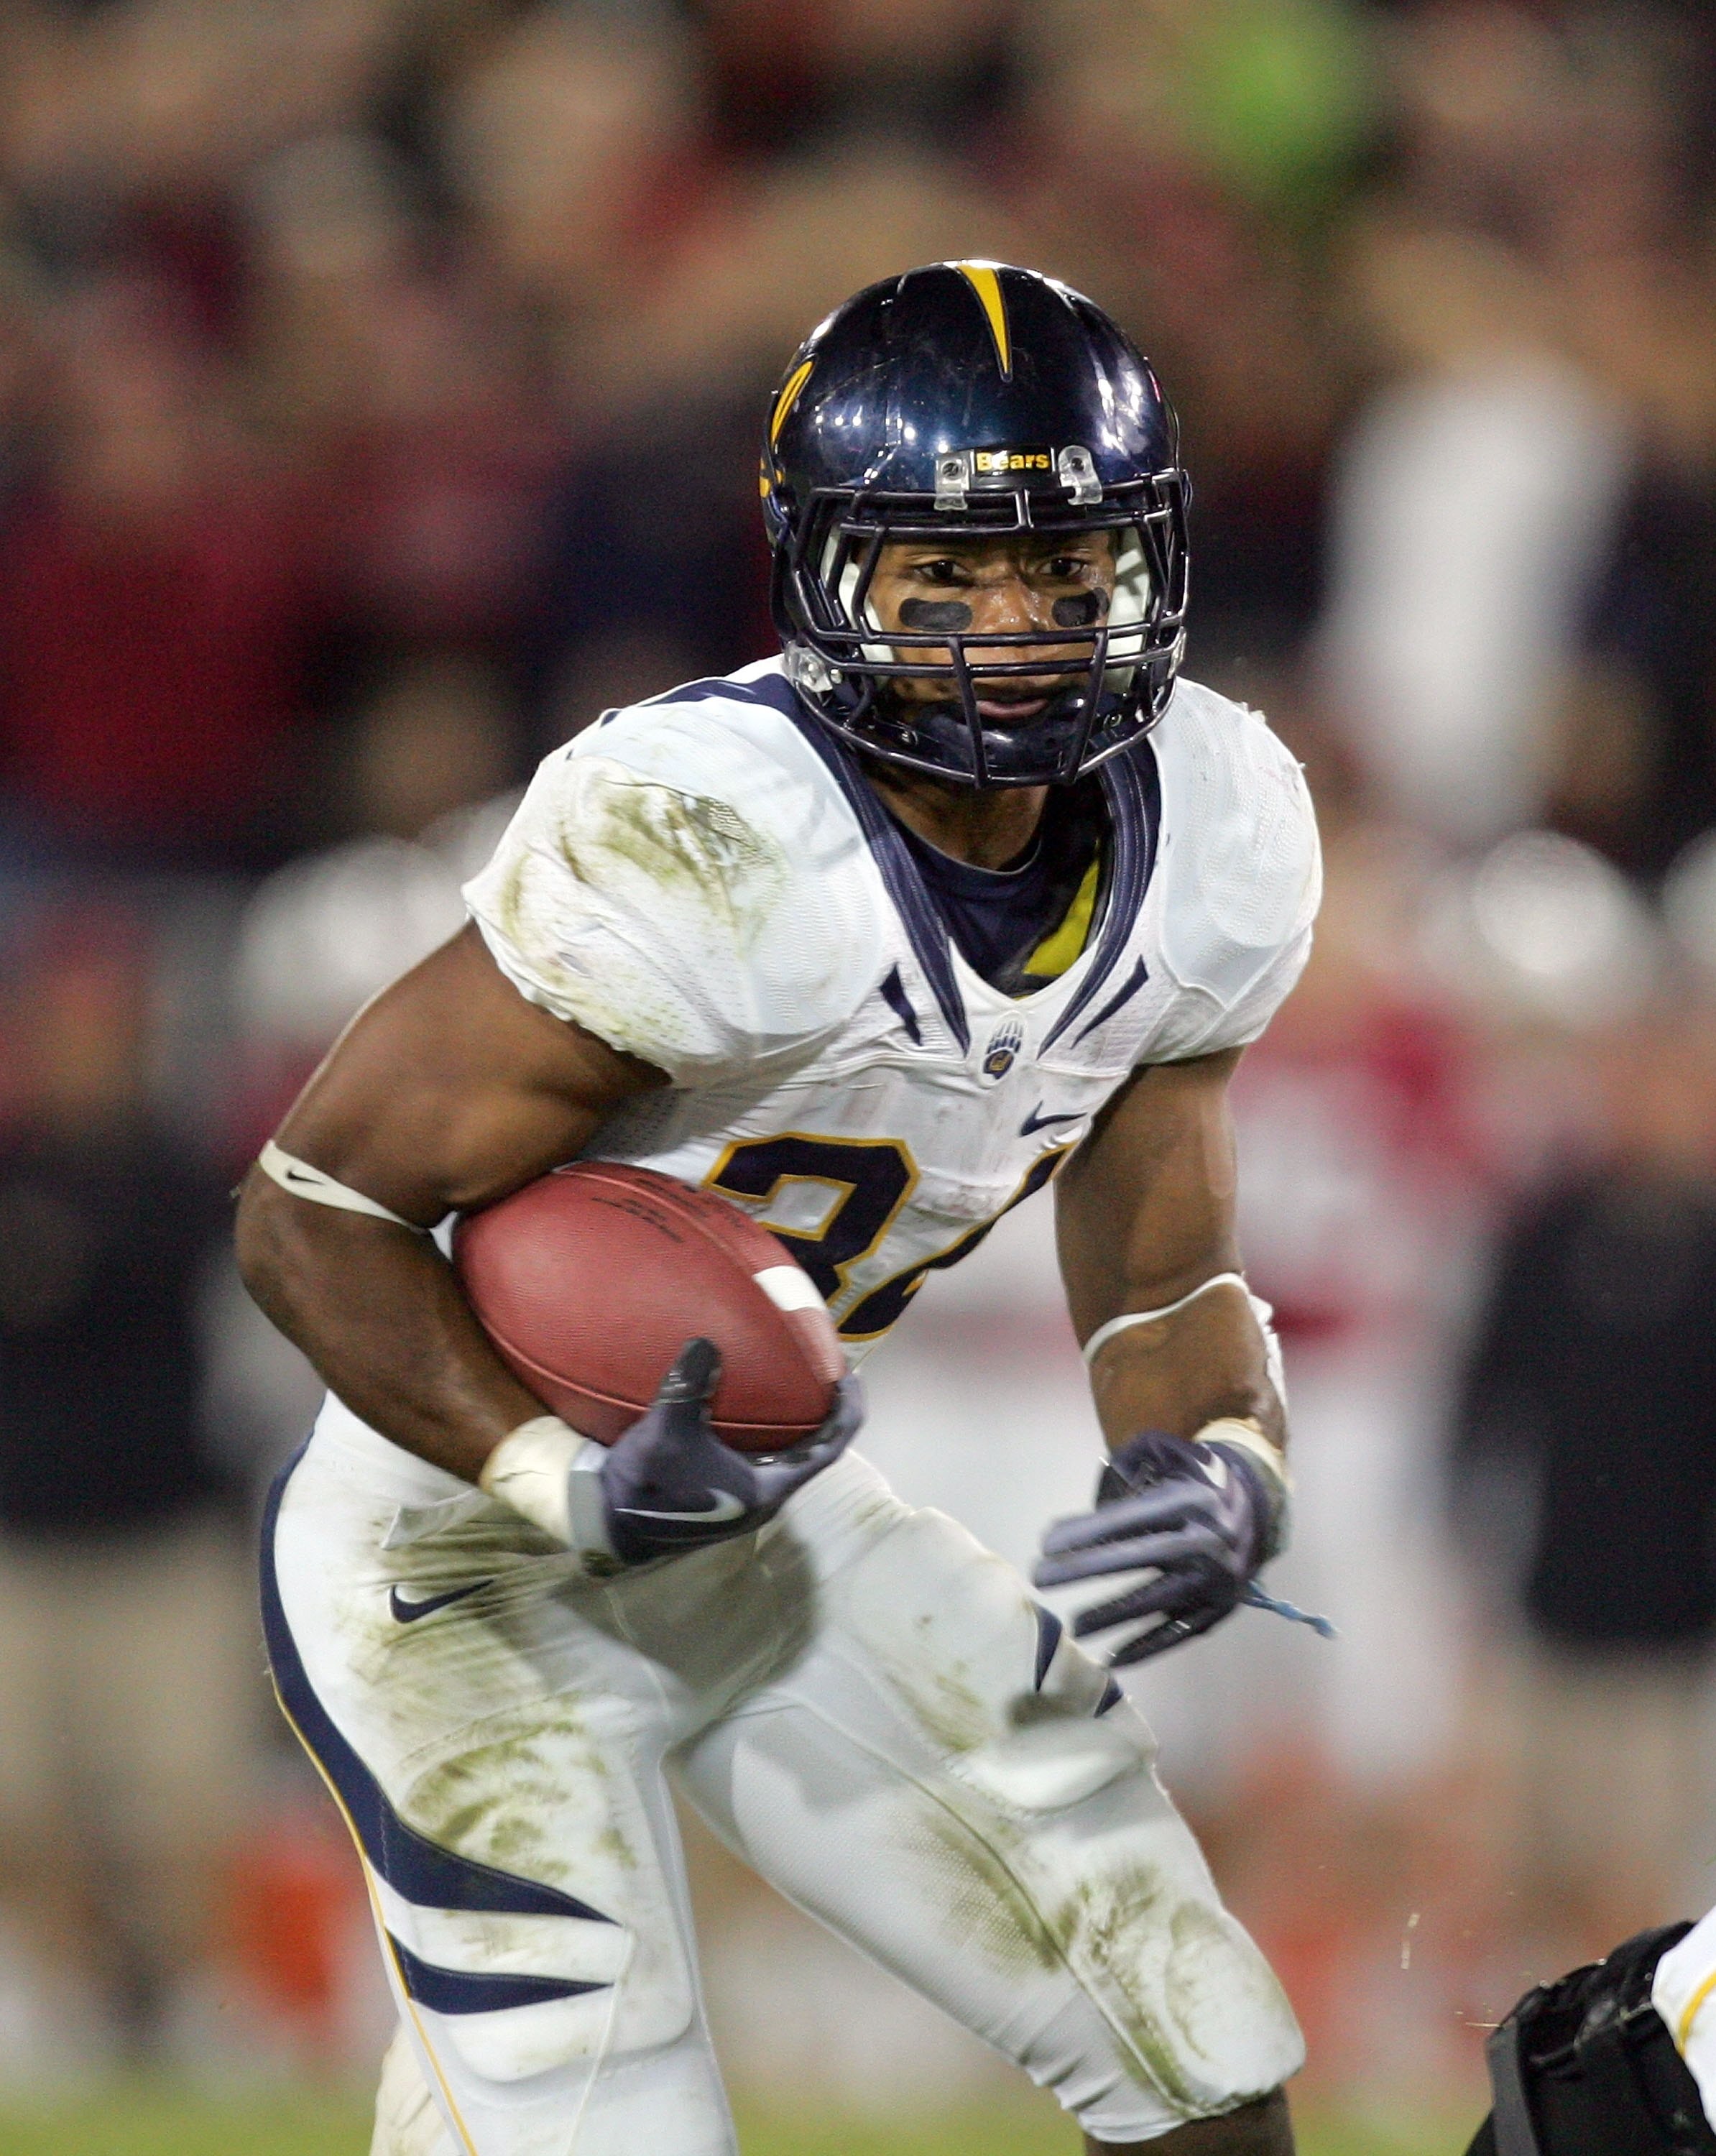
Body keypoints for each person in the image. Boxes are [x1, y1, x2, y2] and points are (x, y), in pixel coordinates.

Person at [236, 262, 1320, 2156]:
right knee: (609, 2122)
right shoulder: (707, 840)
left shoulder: (1217, 825)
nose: (1015, 628)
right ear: (828, 575)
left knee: (1195, 2043)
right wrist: (554, 1482)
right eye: (947, 576)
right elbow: (311, 1207)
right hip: (460, 1551)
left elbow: (1164, 1273)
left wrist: (1222, 1459)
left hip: (766, 1518)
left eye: (1064, 573)